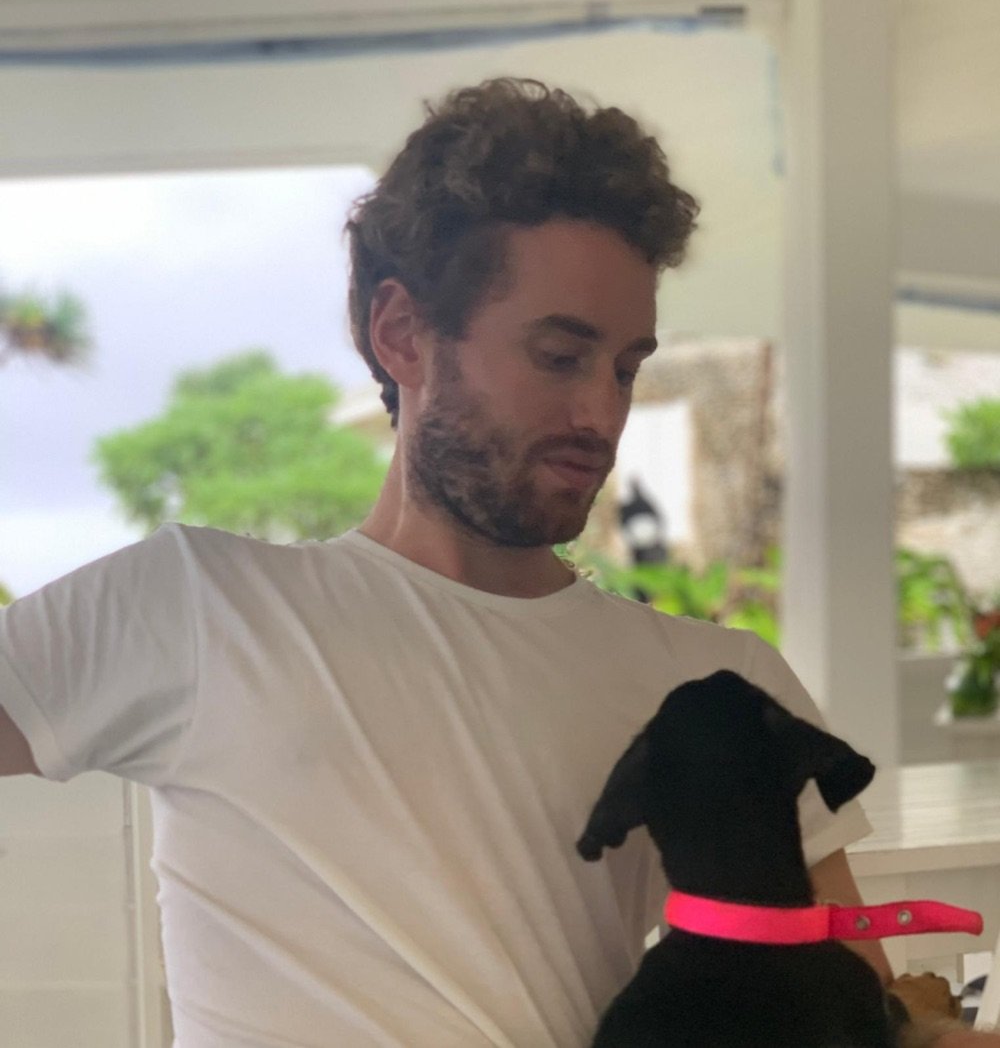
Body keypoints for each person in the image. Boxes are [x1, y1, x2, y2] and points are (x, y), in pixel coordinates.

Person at [0, 77, 993, 1048]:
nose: (601, 414)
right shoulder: (199, 606)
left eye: (626, 365)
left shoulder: (720, 690)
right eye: (559, 356)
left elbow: (844, 1010)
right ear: (401, 334)